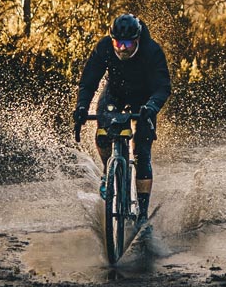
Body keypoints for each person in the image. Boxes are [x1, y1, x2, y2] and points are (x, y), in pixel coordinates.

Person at [73, 13, 171, 227]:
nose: (123, 48)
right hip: (116, 94)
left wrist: (152, 107)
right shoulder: (104, 47)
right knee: (103, 132)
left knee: (141, 152)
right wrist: (81, 106)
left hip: (145, 98)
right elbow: (88, 82)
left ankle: (142, 213)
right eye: (119, 42)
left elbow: (163, 87)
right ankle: (109, 171)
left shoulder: (151, 51)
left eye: (128, 43)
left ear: (137, 40)